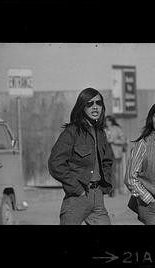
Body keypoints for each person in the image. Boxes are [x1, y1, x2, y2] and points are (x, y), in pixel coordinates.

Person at [48, 87, 113, 225]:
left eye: (98, 103)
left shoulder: (101, 133)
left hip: (97, 197)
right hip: (77, 198)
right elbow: (55, 163)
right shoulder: (71, 132)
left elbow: (107, 161)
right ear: (82, 107)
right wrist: (76, 188)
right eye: (89, 104)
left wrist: (103, 187)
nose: (95, 107)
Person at [104, 115, 127, 197]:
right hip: (105, 154)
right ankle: (110, 190)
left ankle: (115, 189)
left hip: (115, 153)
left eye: (109, 121)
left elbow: (123, 140)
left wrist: (113, 141)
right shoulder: (103, 130)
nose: (107, 123)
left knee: (114, 172)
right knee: (107, 172)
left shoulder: (117, 129)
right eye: (106, 121)